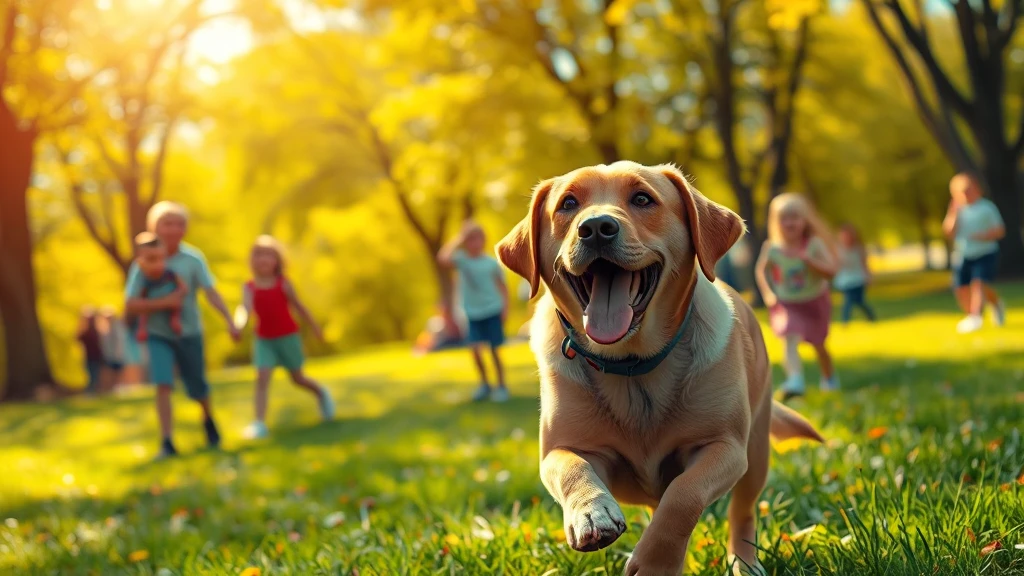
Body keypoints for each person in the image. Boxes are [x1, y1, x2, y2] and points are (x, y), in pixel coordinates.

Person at [124, 201, 239, 459]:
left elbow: (210, 292)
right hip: (158, 334)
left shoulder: (192, 259)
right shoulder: (144, 261)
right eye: (168, 223)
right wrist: (163, 303)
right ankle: (167, 442)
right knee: (163, 384)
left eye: (179, 223)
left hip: (188, 332)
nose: (174, 229)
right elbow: (130, 303)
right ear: (155, 227)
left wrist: (229, 320)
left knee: (197, 386)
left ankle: (208, 420)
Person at [238, 235, 334, 439]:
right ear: (252, 260)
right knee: (262, 378)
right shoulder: (249, 287)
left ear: (277, 261)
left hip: (288, 336)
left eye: (268, 255)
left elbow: (299, 307)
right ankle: (259, 424)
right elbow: (244, 310)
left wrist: (315, 328)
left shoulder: (284, 284)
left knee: (297, 378)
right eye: (258, 255)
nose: (263, 259)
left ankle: (321, 393)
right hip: (264, 339)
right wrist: (238, 325)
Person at [755, 193, 839, 400]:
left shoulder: (813, 245)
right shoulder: (772, 248)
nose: (790, 223)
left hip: (814, 301)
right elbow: (760, 271)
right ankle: (795, 380)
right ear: (776, 222)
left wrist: (811, 262)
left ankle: (829, 378)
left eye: (795, 218)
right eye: (784, 218)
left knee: (819, 344)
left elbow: (832, 271)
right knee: (789, 336)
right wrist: (768, 294)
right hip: (787, 302)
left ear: (804, 221)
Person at [438, 221, 510, 402]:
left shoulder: (491, 263)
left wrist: (505, 309)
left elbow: (503, 288)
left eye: (477, 239)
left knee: (494, 350)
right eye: (470, 240)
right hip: (472, 313)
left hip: (492, 310)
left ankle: (501, 387)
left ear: (483, 241)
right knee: (475, 350)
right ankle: (485, 384)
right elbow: (443, 257)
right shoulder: (461, 260)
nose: (474, 244)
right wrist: (458, 238)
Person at [942, 172, 1006, 334]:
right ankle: (977, 312)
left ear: (976, 189)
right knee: (961, 288)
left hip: (985, 252)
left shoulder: (986, 207)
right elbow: (948, 232)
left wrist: (983, 236)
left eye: (968, 190)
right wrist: (953, 213)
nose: (966, 194)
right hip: (964, 253)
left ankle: (976, 317)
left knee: (979, 283)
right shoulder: (958, 210)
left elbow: (1000, 231)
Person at [130, 233, 188, 342]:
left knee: (176, 309)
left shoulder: (169, 273)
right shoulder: (142, 275)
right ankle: (142, 328)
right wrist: (167, 302)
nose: (158, 265)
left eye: (162, 258)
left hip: (174, 307)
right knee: (144, 310)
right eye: (152, 259)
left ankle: (175, 320)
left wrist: (176, 296)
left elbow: (183, 288)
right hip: (153, 327)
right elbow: (135, 302)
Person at [834, 223, 876, 324]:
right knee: (848, 301)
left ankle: (871, 317)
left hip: (858, 279)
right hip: (845, 280)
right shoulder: (838, 249)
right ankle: (845, 321)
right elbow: (836, 264)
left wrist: (869, 277)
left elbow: (864, 264)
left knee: (860, 301)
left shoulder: (858, 249)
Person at [97, 306, 129, 392]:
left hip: (117, 355)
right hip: (108, 355)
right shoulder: (103, 328)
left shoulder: (118, 327)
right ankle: (109, 389)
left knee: (117, 373)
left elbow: (120, 342)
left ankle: (115, 388)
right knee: (108, 373)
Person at [76, 306, 104, 394]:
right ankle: (91, 390)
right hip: (88, 356)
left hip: (96, 356)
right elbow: (77, 338)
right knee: (90, 374)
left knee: (95, 374)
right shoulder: (86, 330)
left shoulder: (98, 330)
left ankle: (94, 390)